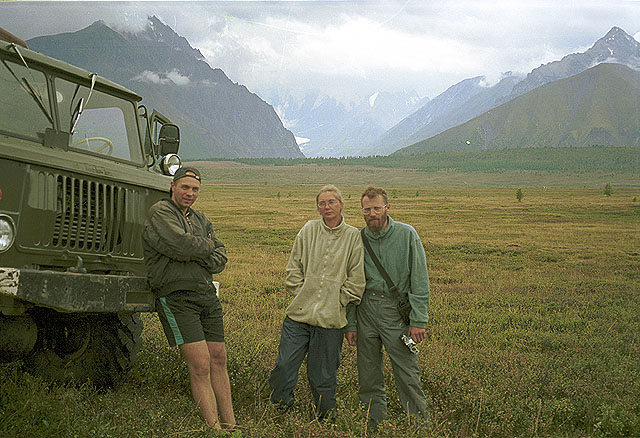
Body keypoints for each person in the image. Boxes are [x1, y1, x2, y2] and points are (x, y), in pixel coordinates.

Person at [142, 166, 237, 431]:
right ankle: (213, 429)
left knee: (219, 358)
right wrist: (205, 246)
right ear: (172, 186)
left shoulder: (200, 219)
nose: (190, 193)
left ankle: (232, 426)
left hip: (206, 294)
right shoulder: (160, 212)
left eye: (195, 189)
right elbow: (183, 245)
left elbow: (220, 258)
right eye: (185, 187)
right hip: (177, 296)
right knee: (200, 365)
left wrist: (196, 249)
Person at [269, 185, 366, 420]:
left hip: (330, 320)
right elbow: (293, 268)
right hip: (298, 316)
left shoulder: (353, 236)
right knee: (284, 366)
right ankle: (279, 414)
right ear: (318, 208)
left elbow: (357, 279)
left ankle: (326, 419)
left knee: (323, 375)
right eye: (322, 203)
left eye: (332, 202)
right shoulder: (308, 229)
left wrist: (338, 301)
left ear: (342, 205)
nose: (327, 207)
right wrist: (302, 294)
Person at [345, 186, 430, 430]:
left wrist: (418, 320)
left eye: (376, 208)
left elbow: (419, 280)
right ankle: (373, 426)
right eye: (366, 209)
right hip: (365, 309)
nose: (371, 214)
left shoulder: (407, 234)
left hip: (396, 312)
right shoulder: (357, 239)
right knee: (368, 375)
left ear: (387, 208)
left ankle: (419, 427)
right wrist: (351, 323)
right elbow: (350, 284)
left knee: (407, 374)